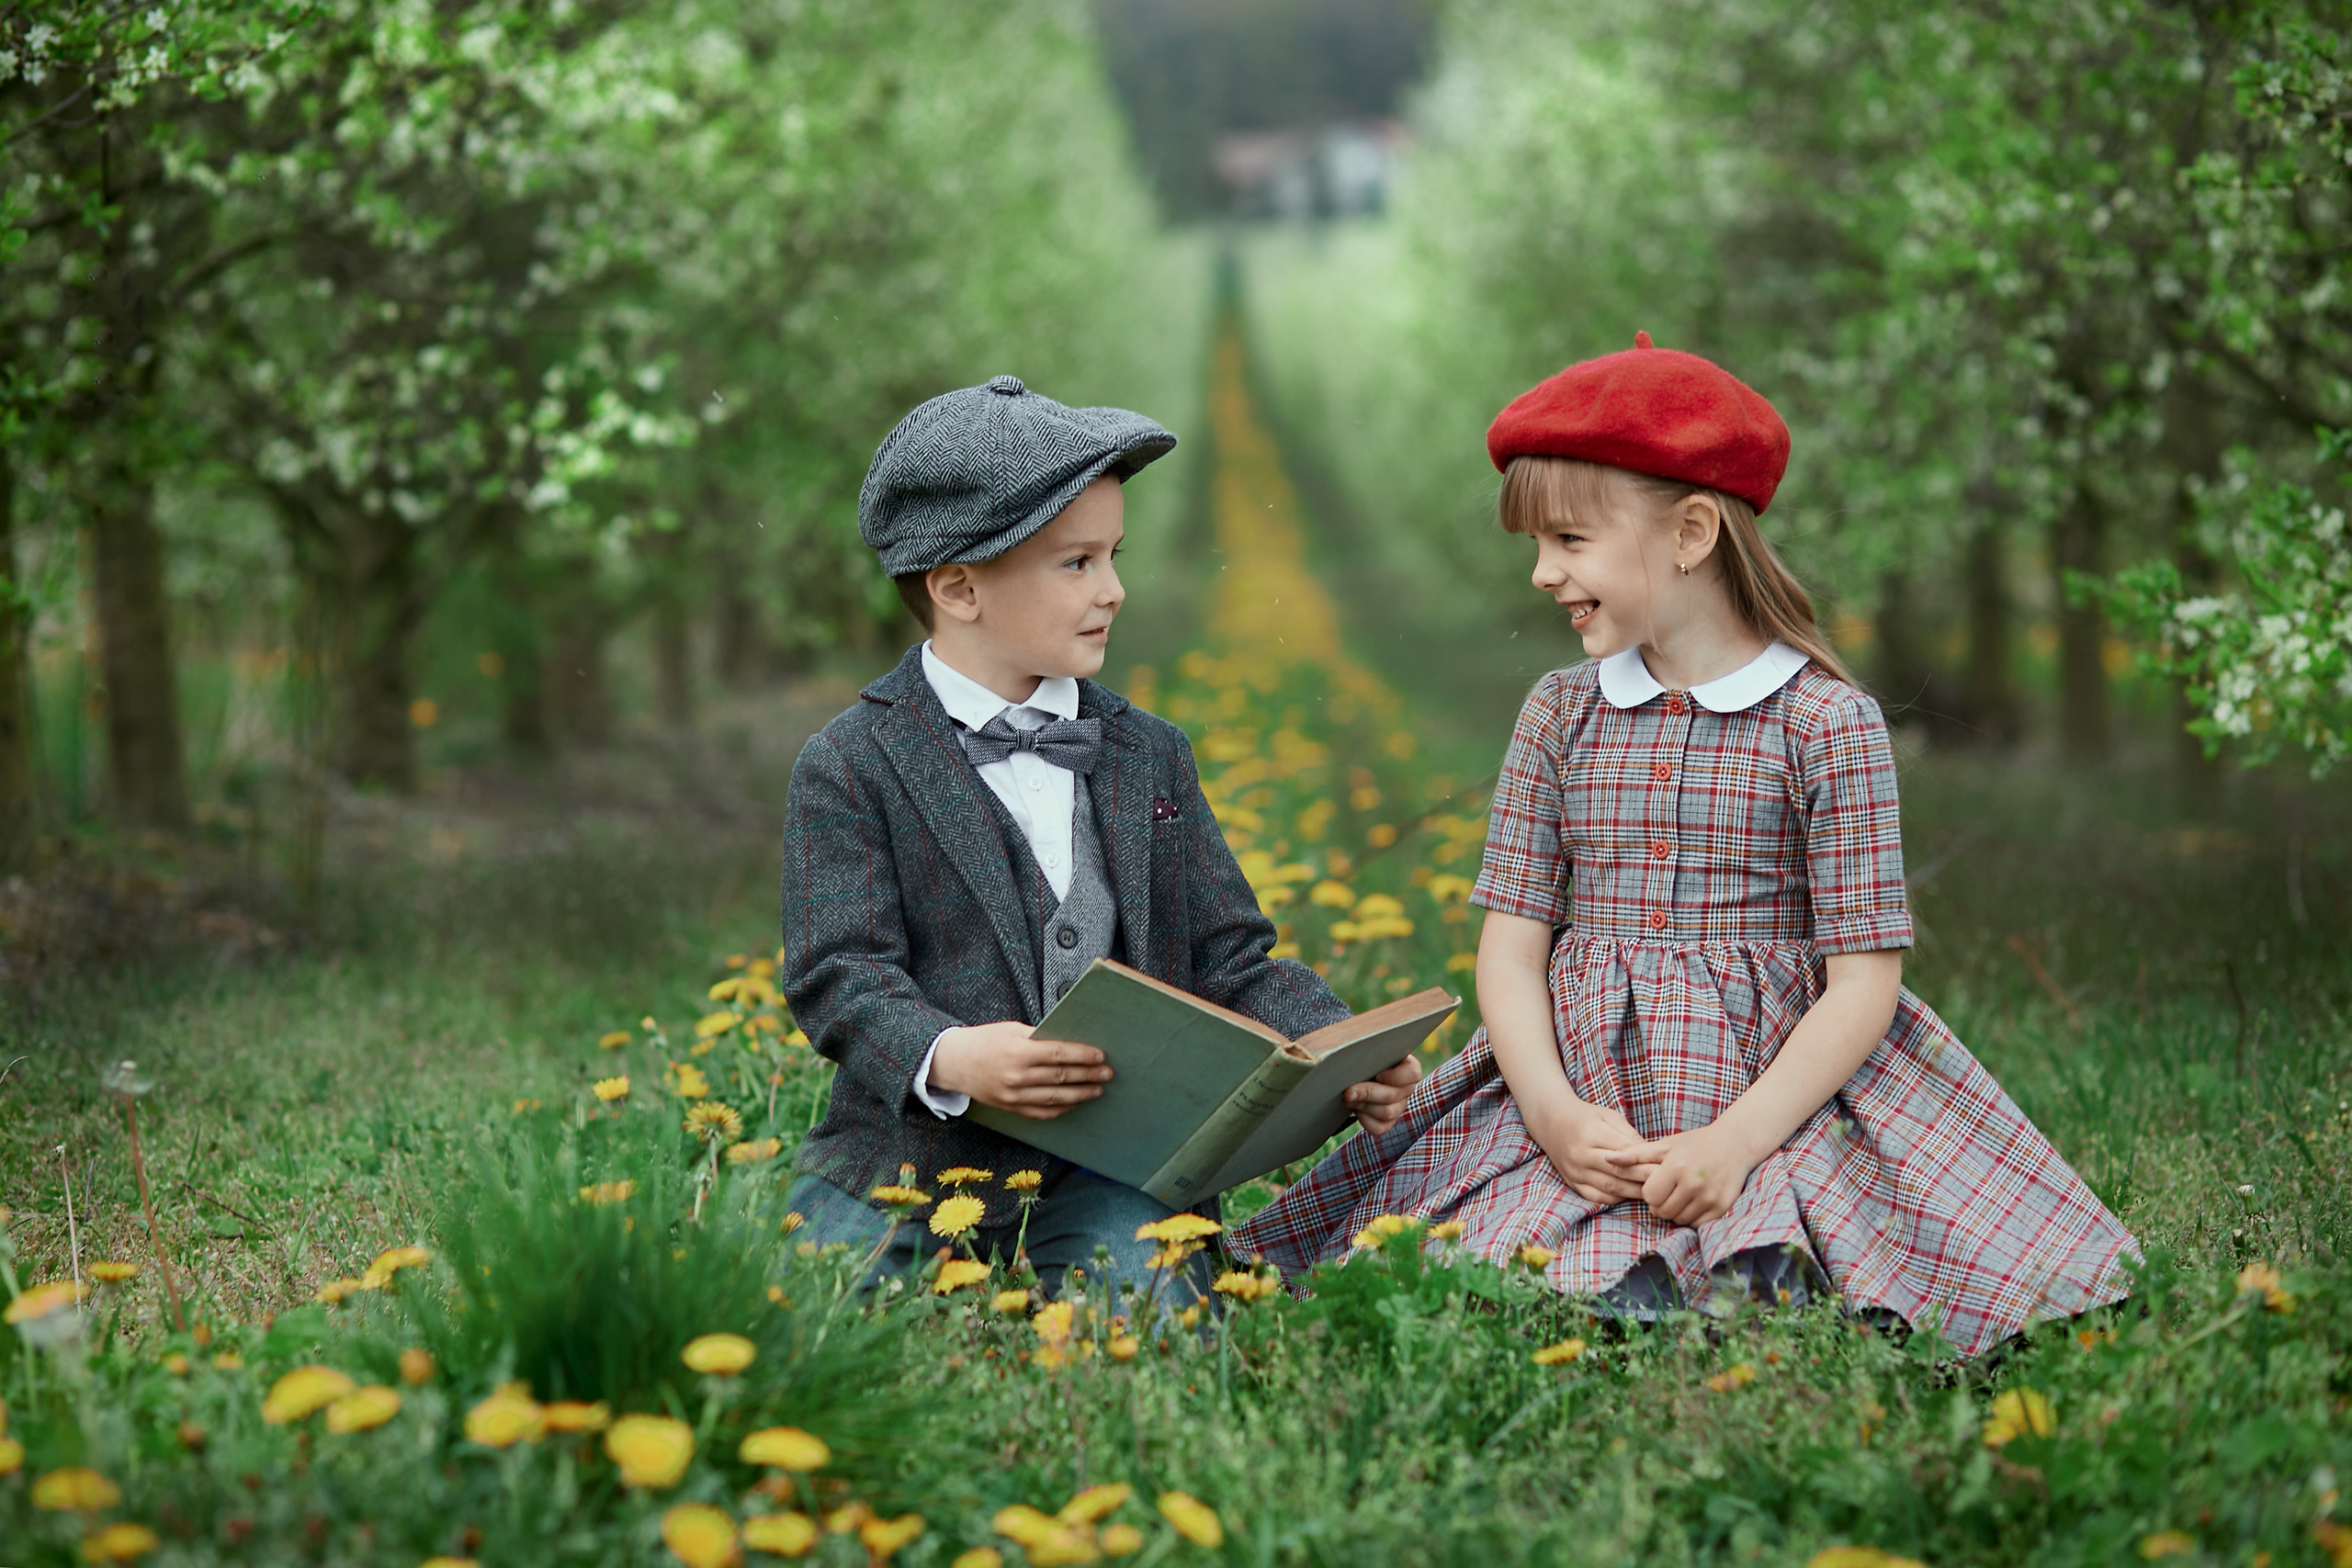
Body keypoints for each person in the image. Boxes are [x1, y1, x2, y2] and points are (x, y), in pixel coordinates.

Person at [1231, 334, 2135, 1355]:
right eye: (1535, 547)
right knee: (1466, 1254)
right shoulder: (1560, 714)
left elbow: (1861, 985)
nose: (1541, 573)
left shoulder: (1823, 724)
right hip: (1580, 1080)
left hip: (1771, 1087)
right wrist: (1553, 1114)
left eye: (1568, 541)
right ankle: (1593, 1267)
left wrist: (1735, 1140)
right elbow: (1512, 947)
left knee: (1822, 1248)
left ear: (1692, 530)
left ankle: (1729, 1263)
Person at [778, 373, 1424, 1296]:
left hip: (1116, 1161)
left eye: (1114, 556)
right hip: (912, 1159)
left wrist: (1334, 1049)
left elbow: (1228, 955)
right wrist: (952, 1055)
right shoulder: (852, 762)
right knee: (813, 1304)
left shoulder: (1147, 752)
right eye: (1077, 564)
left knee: (1146, 1304)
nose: (1114, 590)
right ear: (959, 588)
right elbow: (840, 974)